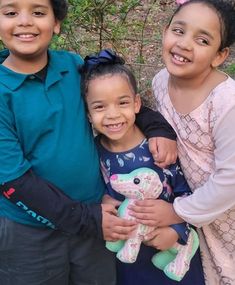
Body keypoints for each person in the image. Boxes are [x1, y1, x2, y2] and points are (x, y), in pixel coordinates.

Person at [0, 0, 178, 284]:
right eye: (10, 12)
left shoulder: (71, 66)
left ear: (56, 23)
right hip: (30, 233)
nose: (24, 21)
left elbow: (115, 101)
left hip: (97, 218)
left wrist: (158, 128)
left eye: (38, 12)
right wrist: (88, 218)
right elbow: (13, 180)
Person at [129, 0, 235, 284]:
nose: (185, 44)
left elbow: (231, 179)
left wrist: (176, 211)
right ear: (165, 32)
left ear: (219, 55)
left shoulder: (226, 103)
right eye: (179, 31)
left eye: (202, 40)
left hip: (226, 215)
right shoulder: (161, 81)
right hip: (190, 207)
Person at [80, 48, 205, 285]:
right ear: (87, 113)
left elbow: (188, 194)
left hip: (172, 253)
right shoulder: (94, 151)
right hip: (128, 258)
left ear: (137, 103)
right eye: (99, 107)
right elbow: (96, 190)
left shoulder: (159, 147)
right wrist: (103, 201)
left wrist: (176, 231)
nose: (112, 115)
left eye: (122, 102)